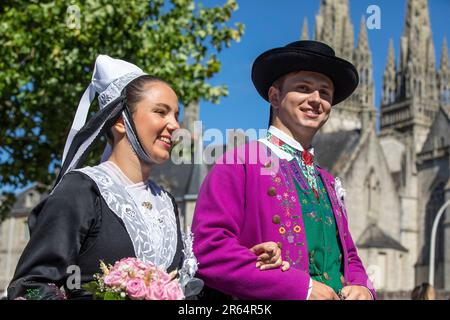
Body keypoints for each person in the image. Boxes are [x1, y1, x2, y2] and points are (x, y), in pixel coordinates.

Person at [6, 55, 285, 300]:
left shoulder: (166, 202)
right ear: (119, 120)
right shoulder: (82, 191)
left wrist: (247, 261)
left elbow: (187, 292)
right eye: (160, 112)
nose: (175, 125)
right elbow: (29, 286)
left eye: (176, 115)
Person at [192, 40, 377, 300]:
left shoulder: (327, 181)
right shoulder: (240, 162)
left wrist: (364, 289)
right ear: (275, 96)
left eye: (325, 92)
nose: (316, 100)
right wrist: (301, 288)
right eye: (304, 88)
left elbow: (349, 256)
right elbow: (209, 251)